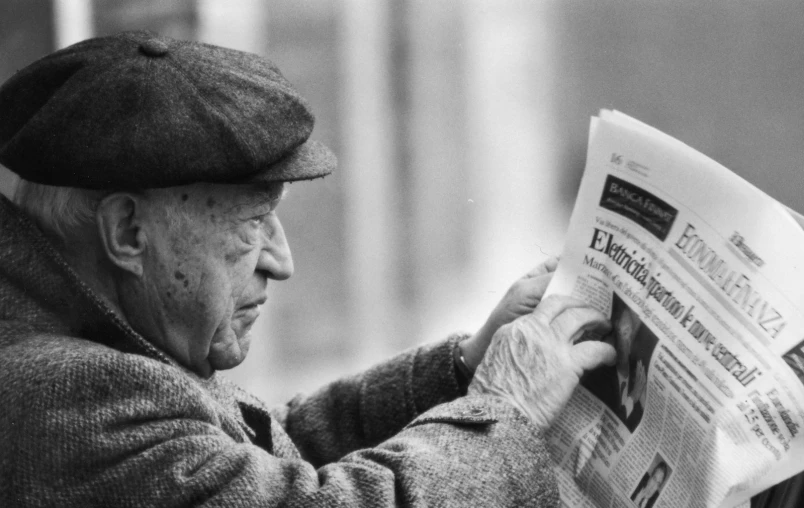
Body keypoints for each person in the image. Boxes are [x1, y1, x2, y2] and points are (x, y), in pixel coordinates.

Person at [0, 30, 615, 506]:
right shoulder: (65, 395)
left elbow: (255, 466)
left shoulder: (82, 346)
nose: (282, 261)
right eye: (252, 223)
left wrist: (463, 370)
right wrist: (504, 406)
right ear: (128, 232)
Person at [581, 296, 647, 432]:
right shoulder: (597, 378)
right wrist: (633, 398)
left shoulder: (639, 381)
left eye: (627, 332)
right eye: (619, 332)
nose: (624, 340)